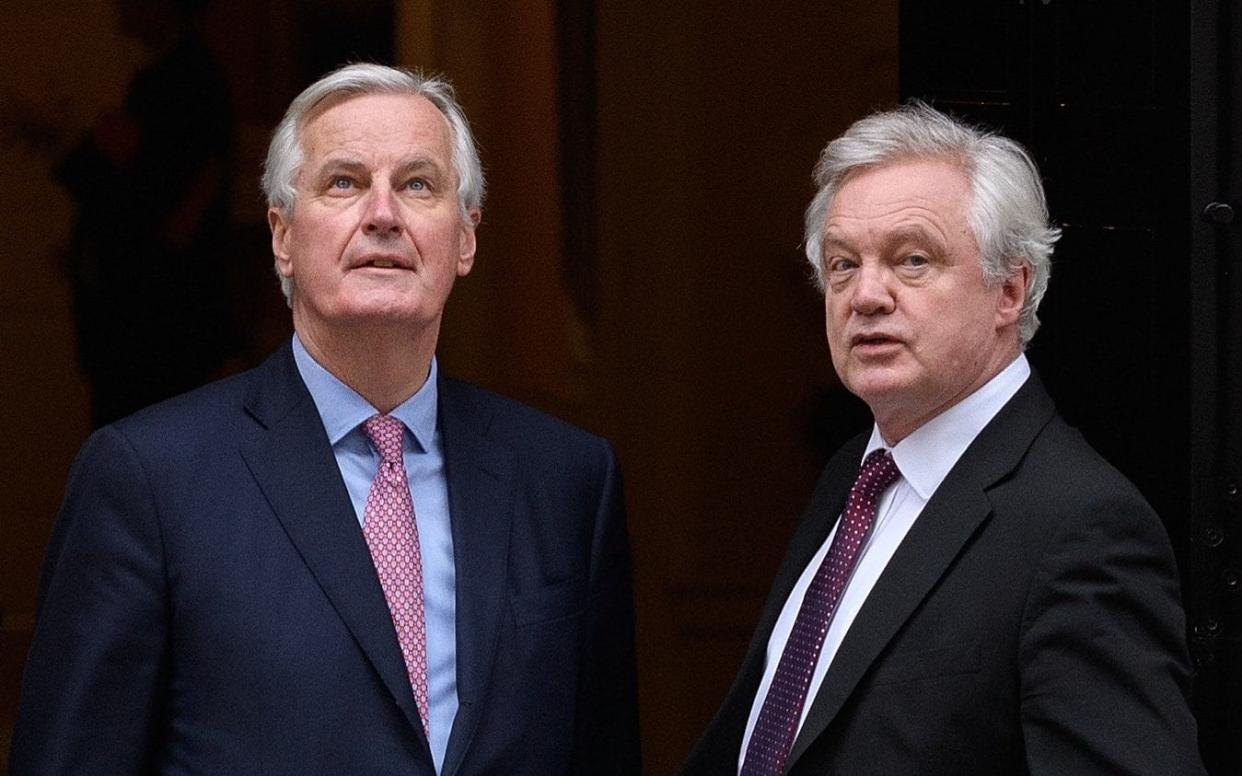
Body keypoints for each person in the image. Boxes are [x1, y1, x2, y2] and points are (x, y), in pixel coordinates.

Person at [11, 63, 639, 775]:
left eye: (419, 184)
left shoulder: (567, 481)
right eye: (343, 182)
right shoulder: (148, 478)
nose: (382, 214)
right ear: (281, 235)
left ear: (466, 237)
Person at [681, 103, 1205, 775]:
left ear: (1009, 290)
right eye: (842, 265)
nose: (865, 295)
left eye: (913, 260)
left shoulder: (1081, 527)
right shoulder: (855, 475)